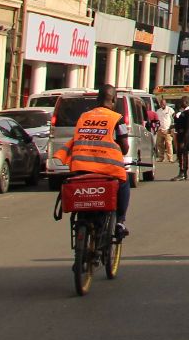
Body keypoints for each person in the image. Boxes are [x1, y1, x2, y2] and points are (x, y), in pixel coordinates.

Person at [55, 84, 133, 238]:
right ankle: (120, 222)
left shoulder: (84, 117)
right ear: (114, 101)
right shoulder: (118, 119)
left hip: (80, 168)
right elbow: (124, 148)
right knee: (124, 182)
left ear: (97, 99)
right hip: (108, 169)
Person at [172, 104, 189, 181]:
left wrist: (177, 118)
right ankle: (183, 173)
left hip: (184, 136)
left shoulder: (188, 113)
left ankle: (182, 172)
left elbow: (186, 125)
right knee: (182, 154)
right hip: (182, 135)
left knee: (182, 154)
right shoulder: (186, 113)